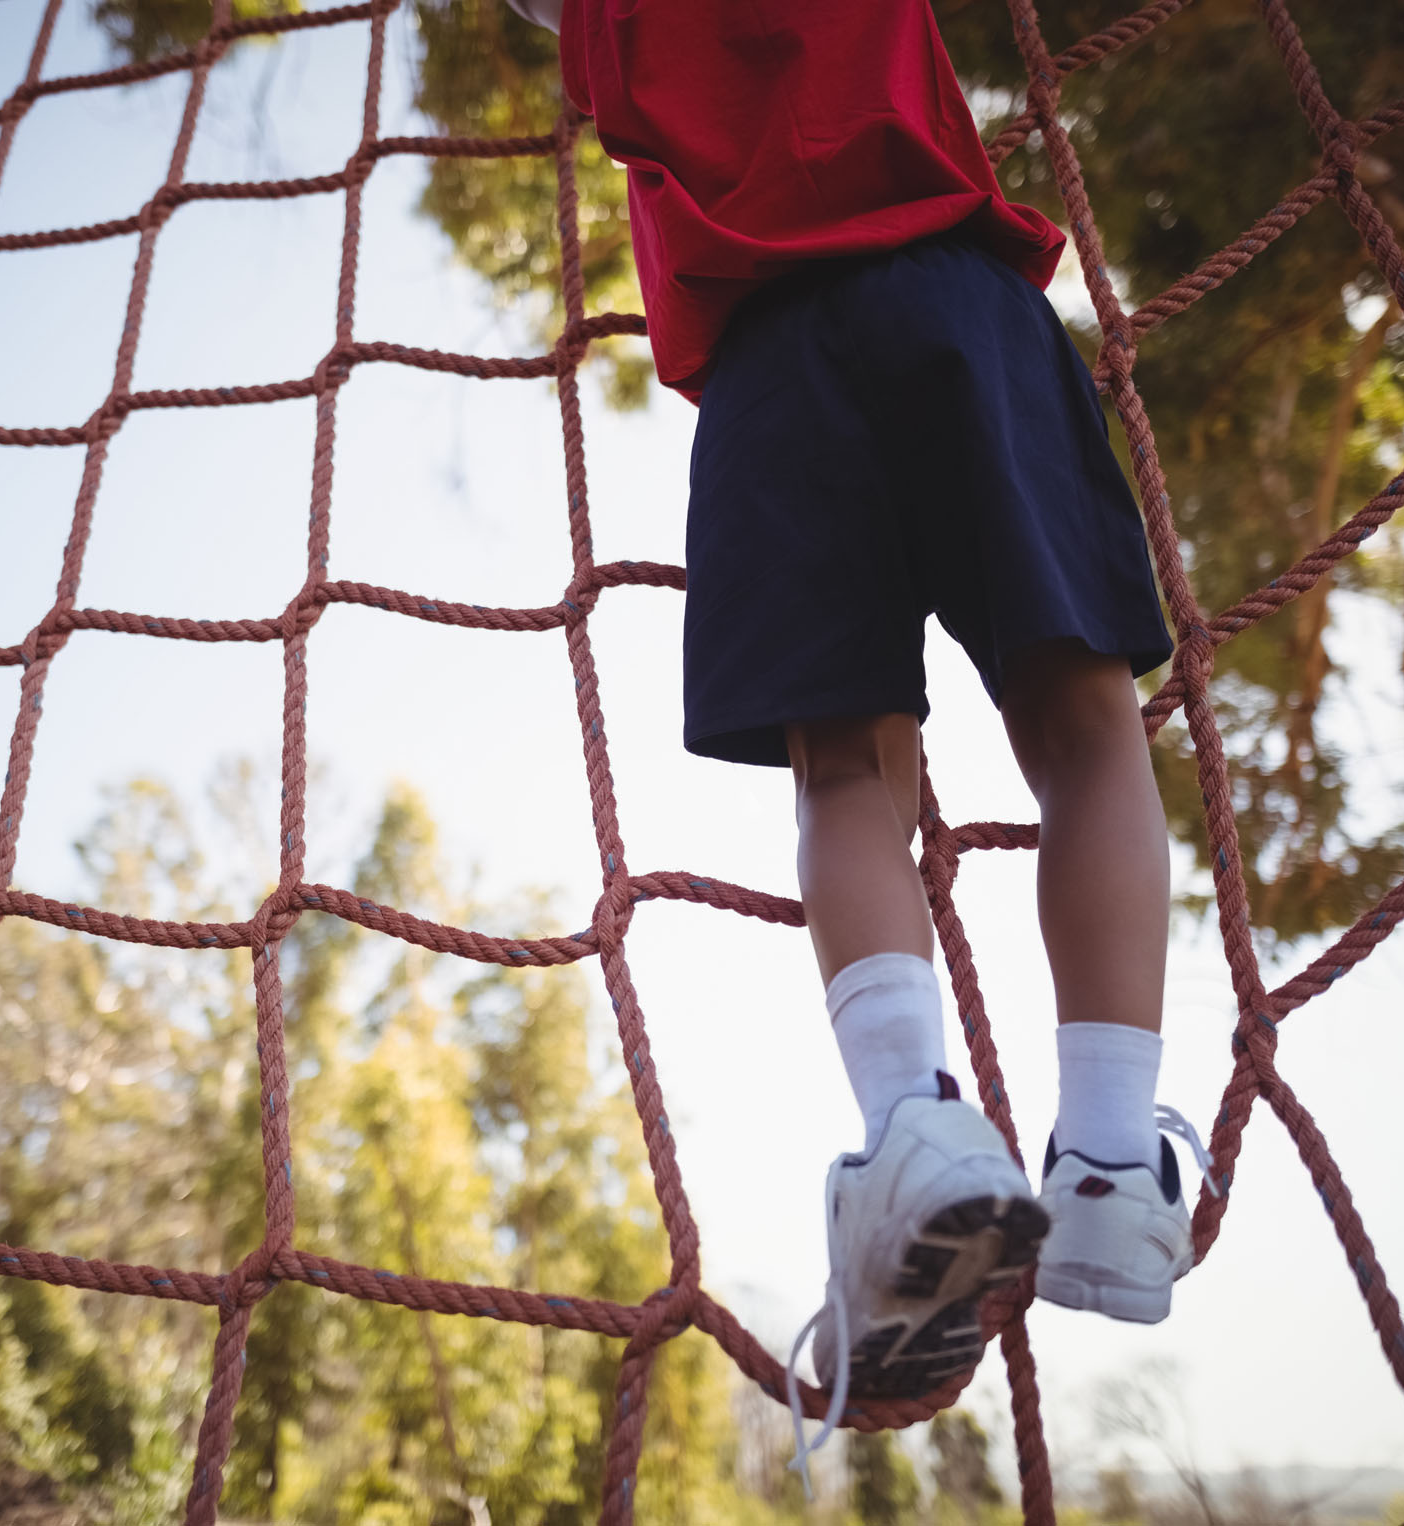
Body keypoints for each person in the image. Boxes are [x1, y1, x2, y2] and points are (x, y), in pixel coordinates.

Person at [507, 0, 1215, 1471]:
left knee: (844, 777)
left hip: (771, 371)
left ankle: (910, 1126)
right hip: (955, 297)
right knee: (1086, 733)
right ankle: (1104, 1155)